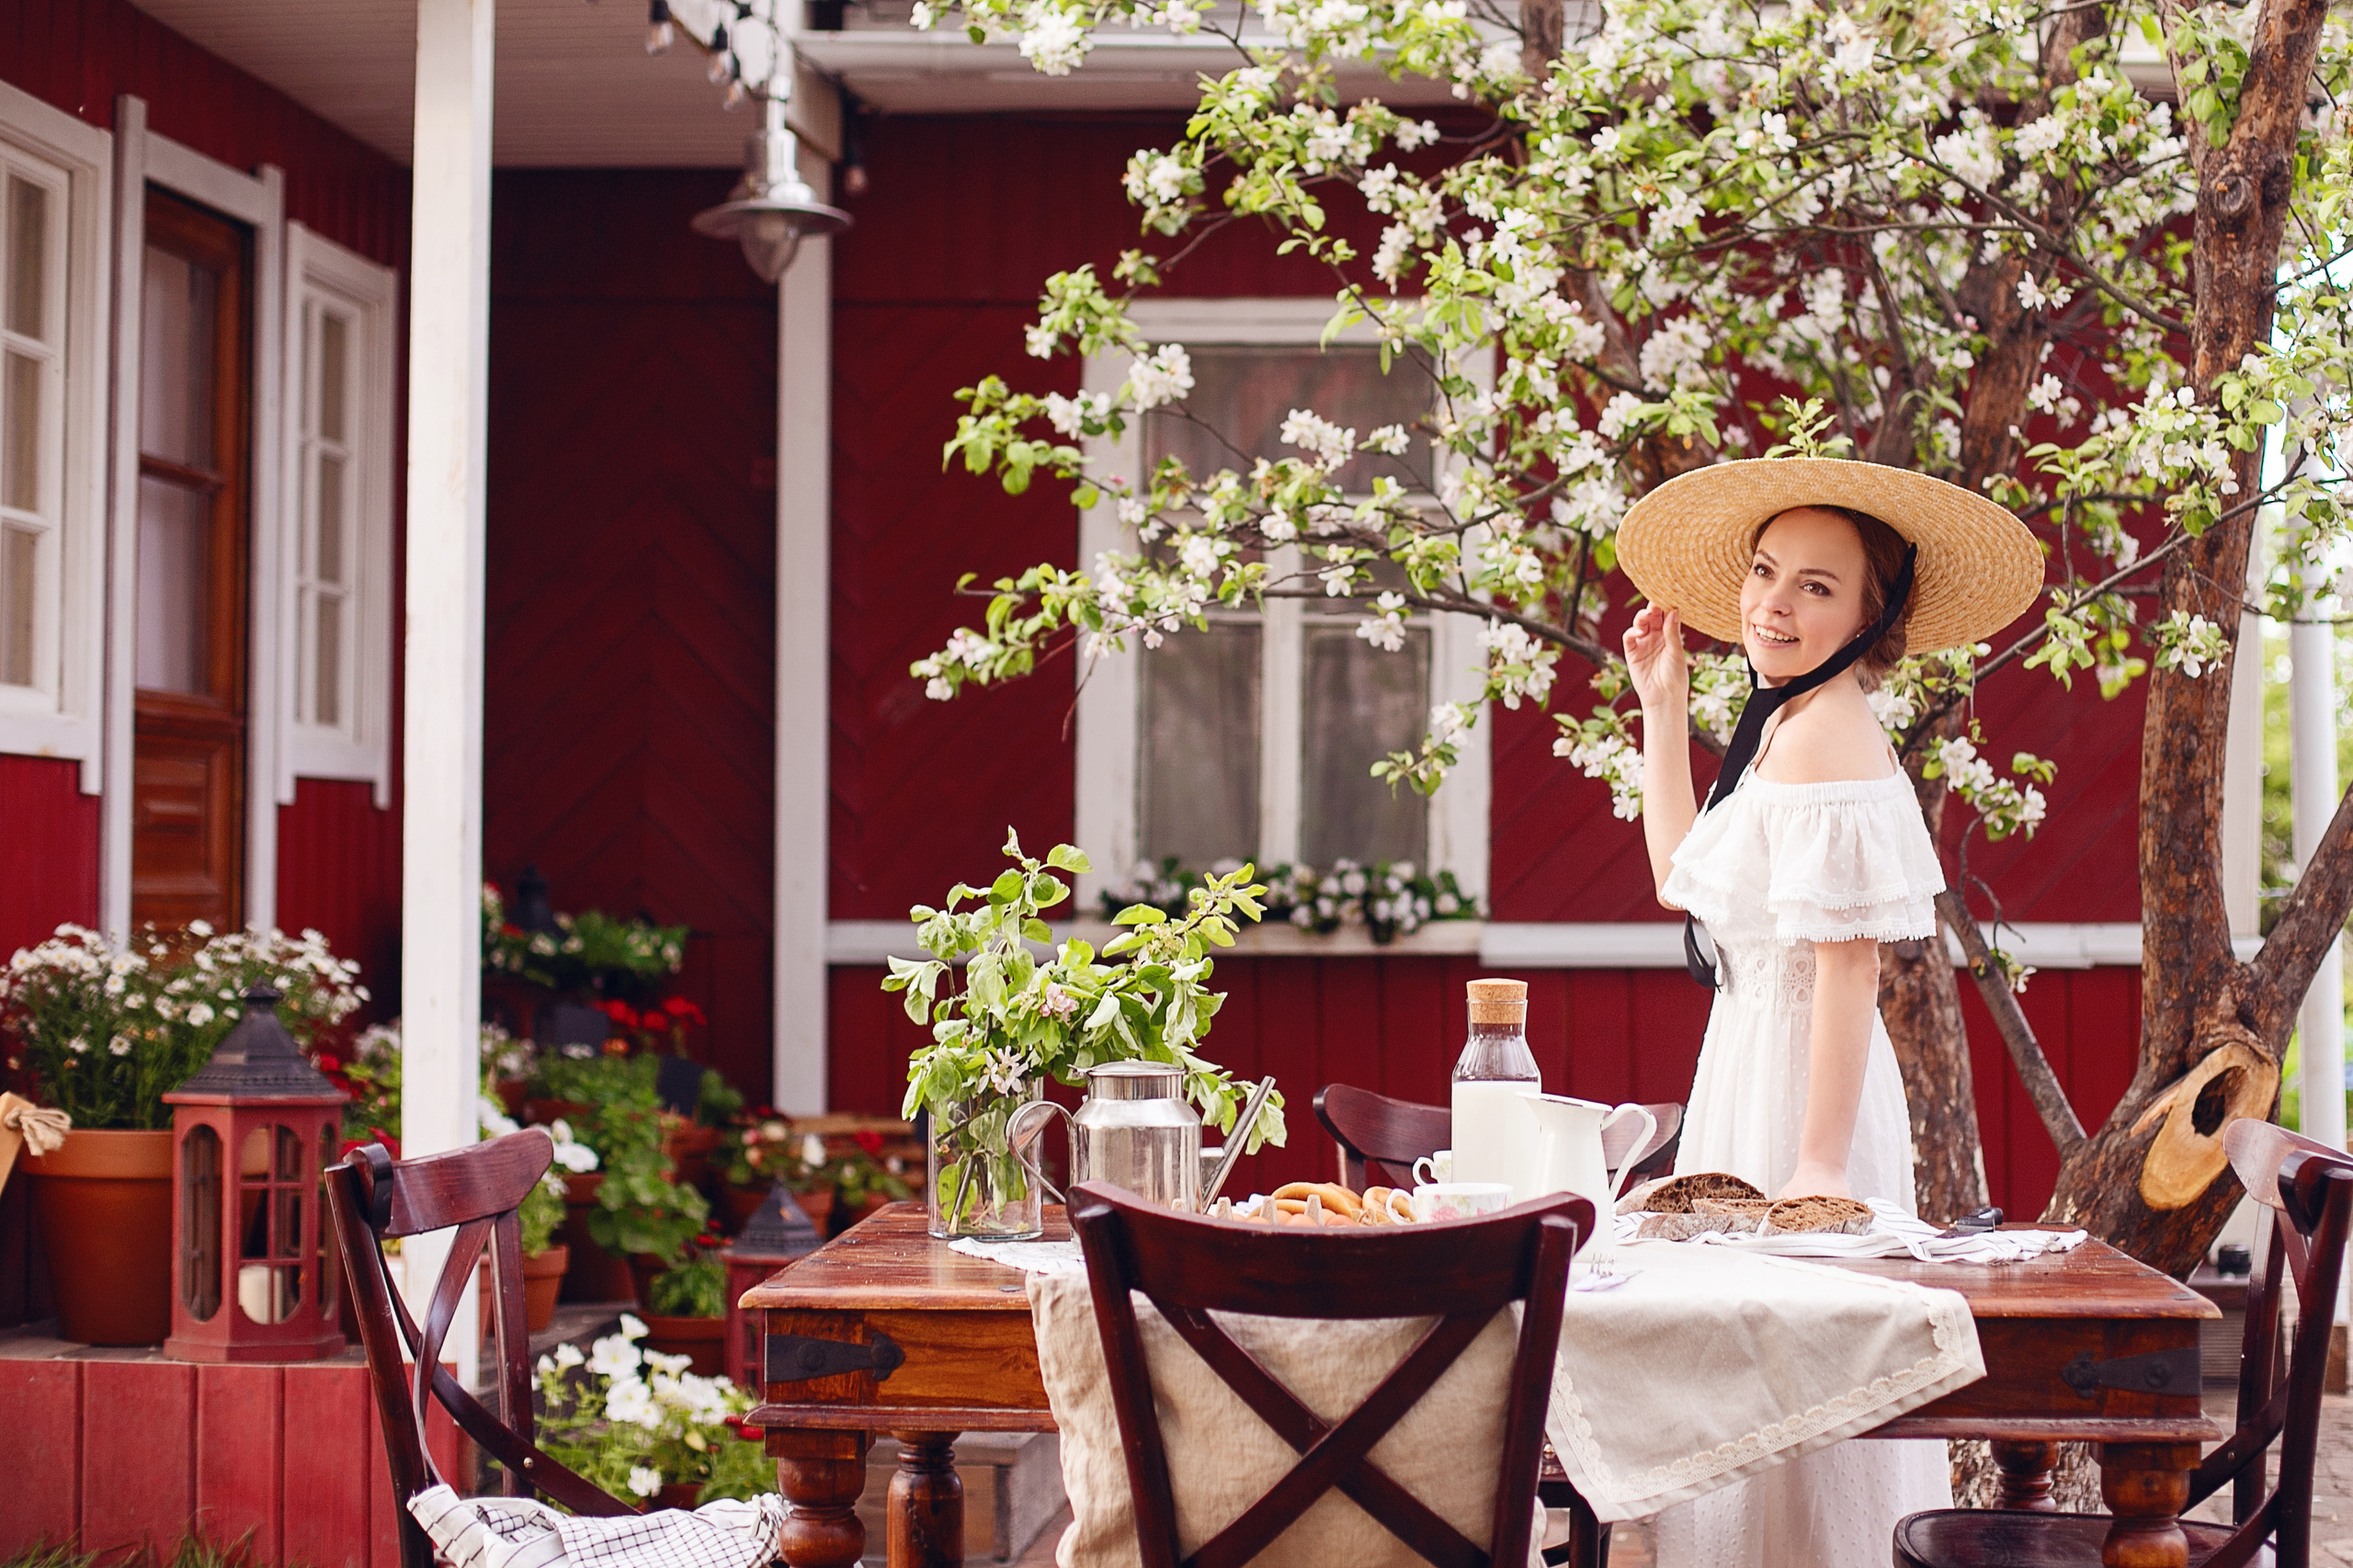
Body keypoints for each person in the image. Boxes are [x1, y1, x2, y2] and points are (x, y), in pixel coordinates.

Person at [1612, 458, 2043, 1568]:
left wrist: (1815, 1168)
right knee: (1751, 1388)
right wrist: (1663, 704)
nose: (1772, 604)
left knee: (1787, 1391)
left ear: (1869, 614)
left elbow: (1848, 971)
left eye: (1815, 586)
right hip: (1753, 1062)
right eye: (1764, 572)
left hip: (1805, 1089)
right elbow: (1680, 878)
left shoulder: (1825, 736)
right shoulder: (1785, 724)